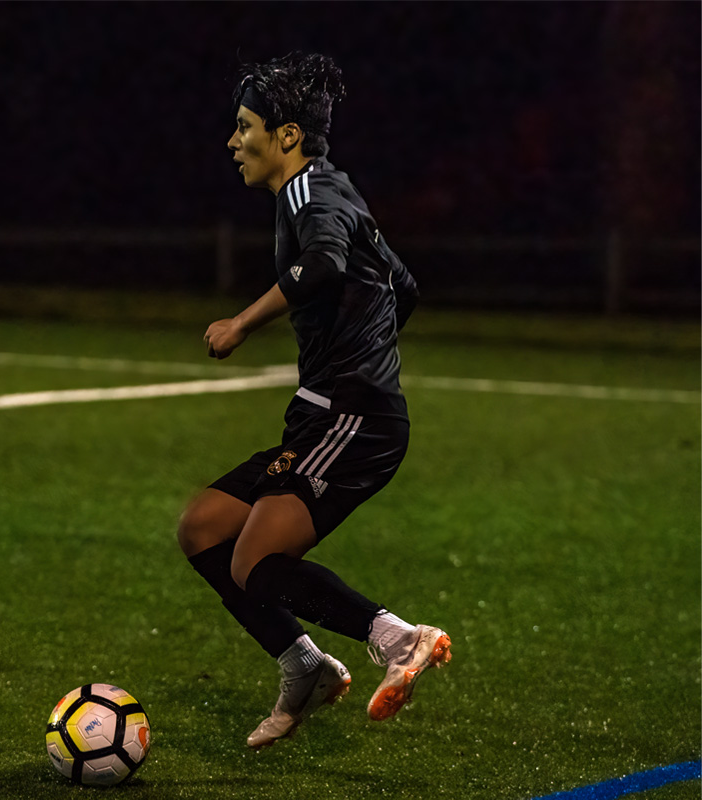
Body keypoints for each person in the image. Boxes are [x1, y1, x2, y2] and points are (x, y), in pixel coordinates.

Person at [177, 51, 450, 747]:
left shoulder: (309, 196)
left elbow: (325, 263)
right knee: (205, 527)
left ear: (287, 135)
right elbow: (405, 288)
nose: (233, 142)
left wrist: (241, 322)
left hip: (351, 416)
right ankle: (304, 666)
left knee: (257, 565)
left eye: (245, 127)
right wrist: (360, 350)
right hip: (337, 410)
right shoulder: (336, 188)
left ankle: (394, 638)